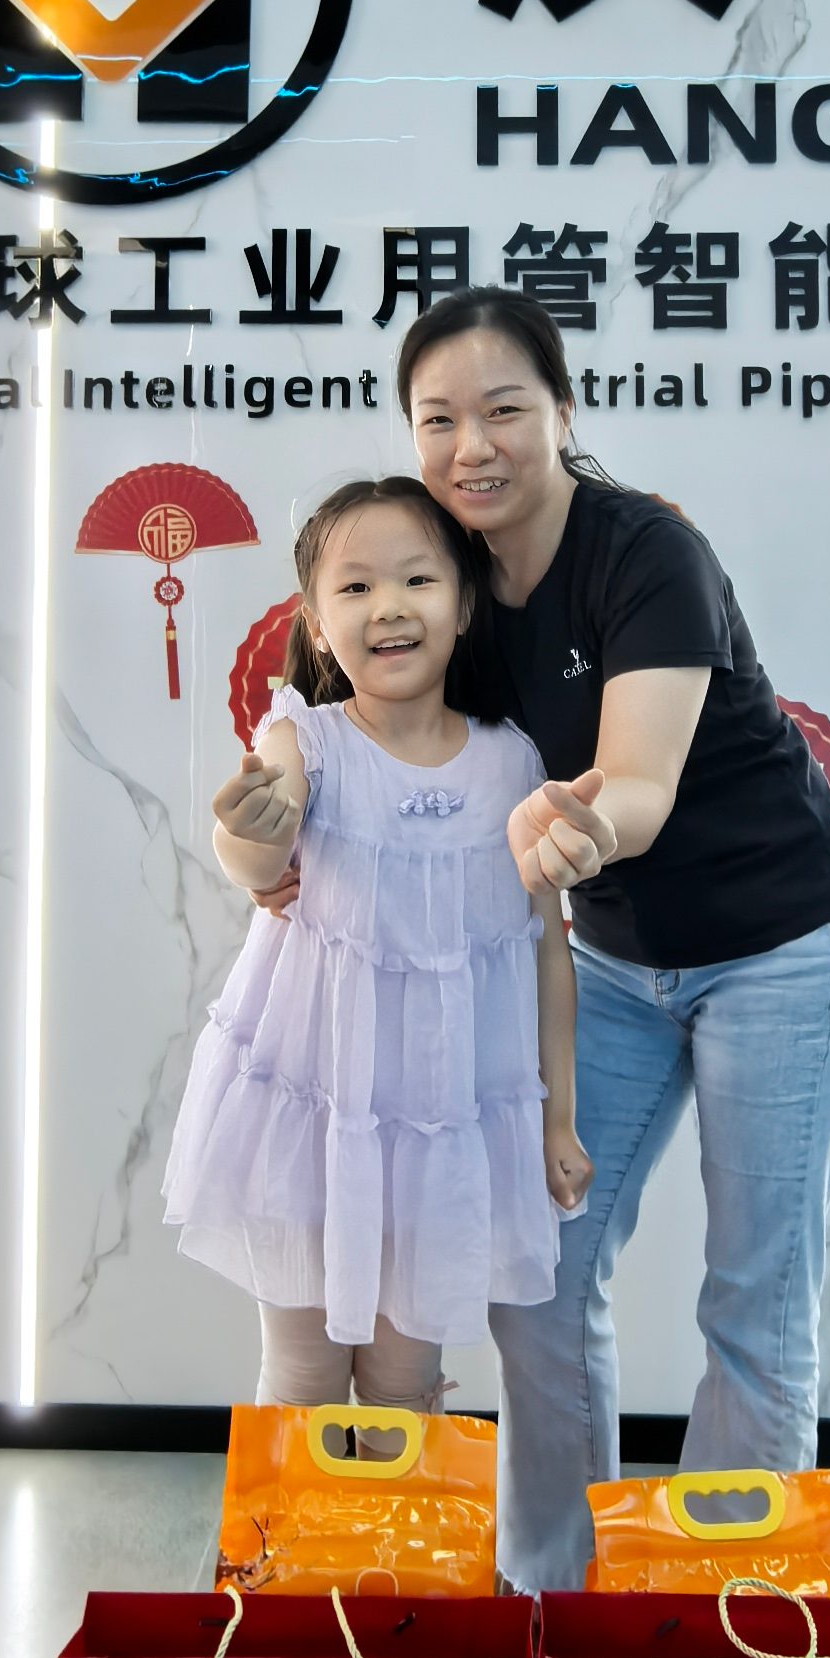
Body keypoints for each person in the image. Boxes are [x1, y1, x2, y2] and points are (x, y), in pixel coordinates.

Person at [396, 287, 830, 1592]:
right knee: (539, 1274)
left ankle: (725, 1617)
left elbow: (641, 783)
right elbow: (353, 714)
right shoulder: (444, 575)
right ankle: (553, 1599)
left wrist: (579, 830)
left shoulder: (647, 552)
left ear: (563, 411)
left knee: (753, 1296)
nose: (472, 447)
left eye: (504, 409)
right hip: (612, 967)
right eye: (439, 420)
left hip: (781, 947)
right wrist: (277, 835)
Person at [164, 472, 593, 1409]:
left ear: (464, 605)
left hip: (445, 1127)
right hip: (314, 1117)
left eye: (417, 580)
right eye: (355, 587)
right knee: (303, 1377)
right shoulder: (307, 739)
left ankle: (401, 1515)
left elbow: (544, 954)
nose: (388, 607)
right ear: (318, 626)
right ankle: (290, 1518)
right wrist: (246, 835)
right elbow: (257, 842)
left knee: (407, 1385)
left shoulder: (514, 761)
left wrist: (558, 1119)